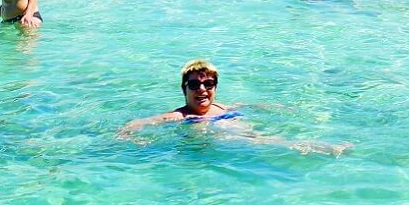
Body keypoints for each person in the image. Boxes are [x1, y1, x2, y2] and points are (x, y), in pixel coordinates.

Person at [119, 60, 348, 154]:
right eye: (194, 85)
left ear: (215, 87)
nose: (202, 89)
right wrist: (128, 135)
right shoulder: (180, 116)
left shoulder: (222, 106)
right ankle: (322, 149)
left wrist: (284, 109)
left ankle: (319, 148)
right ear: (184, 89)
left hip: (244, 134)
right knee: (267, 142)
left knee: (262, 138)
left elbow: (252, 105)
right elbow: (141, 123)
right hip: (225, 142)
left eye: (208, 84)